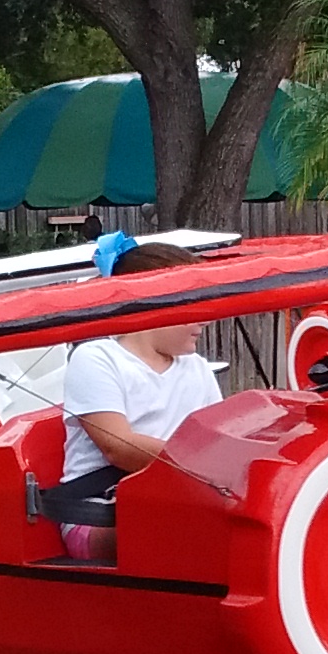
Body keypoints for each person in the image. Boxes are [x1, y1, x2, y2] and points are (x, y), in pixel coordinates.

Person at [57, 236, 220, 561]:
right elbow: (118, 447)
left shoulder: (197, 367)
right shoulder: (96, 357)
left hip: (176, 500)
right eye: (193, 304)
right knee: (182, 527)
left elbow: (218, 439)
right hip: (99, 513)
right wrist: (203, 465)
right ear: (153, 304)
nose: (206, 318)